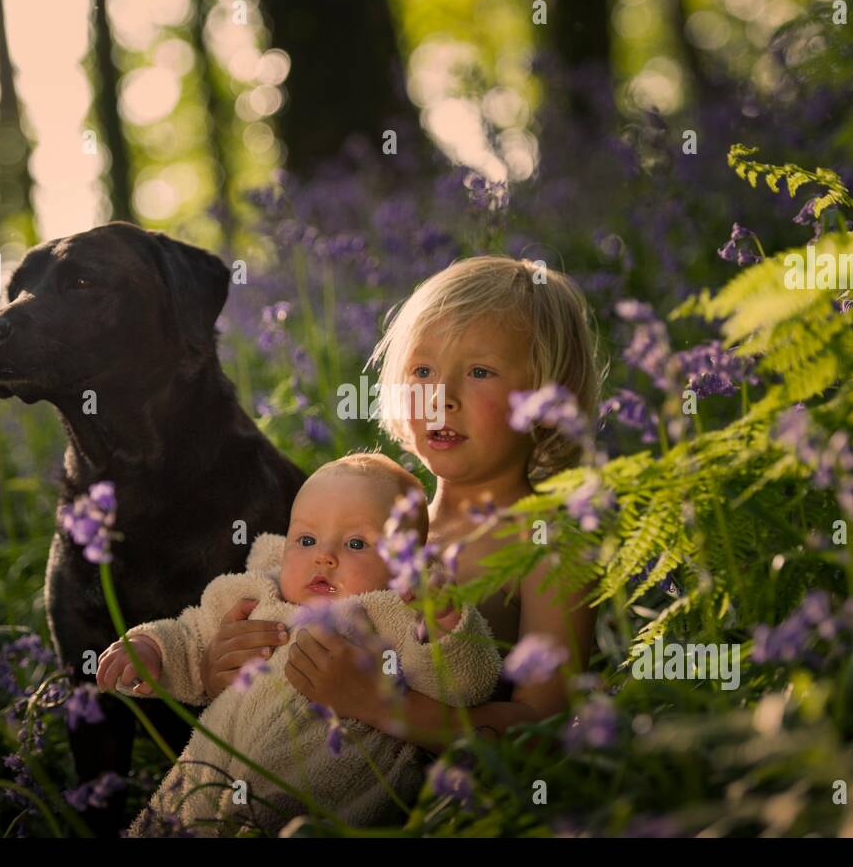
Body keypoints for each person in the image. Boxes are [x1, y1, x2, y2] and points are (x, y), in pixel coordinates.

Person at [200, 256, 603, 759]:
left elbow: (545, 728)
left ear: (549, 396)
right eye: (422, 370)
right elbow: (292, 644)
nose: (440, 397)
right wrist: (226, 667)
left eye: (480, 371)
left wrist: (385, 705)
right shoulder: (369, 519)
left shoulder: (551, 543)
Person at [97, 453, 502, 835]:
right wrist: (151, 649)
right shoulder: (256, 595)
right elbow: (192, 635)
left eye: (356, 544)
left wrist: (446, 628)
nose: (324, 557)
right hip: (209, 777)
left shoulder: (392, 615)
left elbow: (467, 684)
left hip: (321, 800)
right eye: (306, 541)